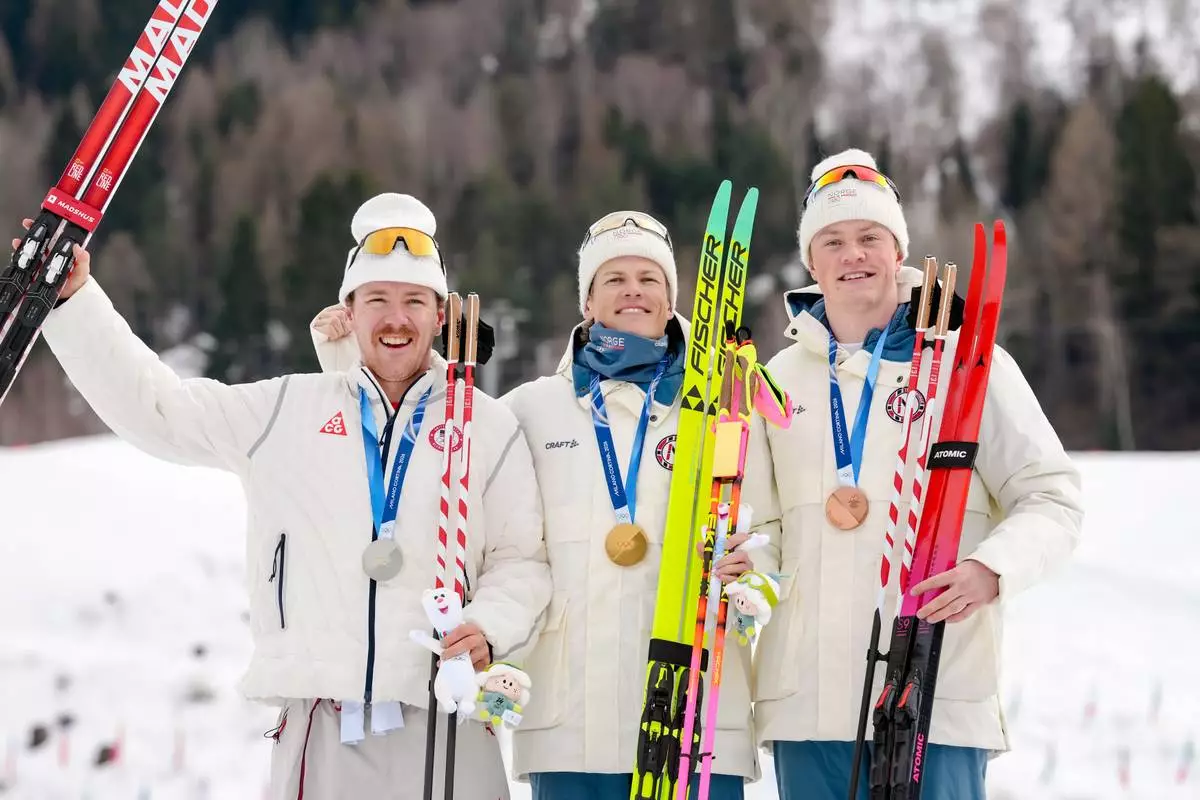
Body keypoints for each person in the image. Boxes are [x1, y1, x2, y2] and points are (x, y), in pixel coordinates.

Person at [23, 192, 552, 800]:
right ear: (349, 312)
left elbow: (522, 560)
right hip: (320, 727)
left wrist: (488, 626)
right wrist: (75, 304)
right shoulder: (287, 410)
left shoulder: (487, 427)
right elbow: (160, 410)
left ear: (440, 315)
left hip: (447, 725)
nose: (396, 319)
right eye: (377, 299)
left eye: (414, 301)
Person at [312, 210, 763, 799]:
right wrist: (349, 366)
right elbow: (424, 456)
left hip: (696, 723)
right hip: (568, 726)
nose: (633, 290)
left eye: (650, 279)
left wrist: (753, 577)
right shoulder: (529, 411)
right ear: (587, 302)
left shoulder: (724, 407)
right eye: (614, 278)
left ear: (671, 297)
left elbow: (770, 542)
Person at [741, 149, 1085, 800]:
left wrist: (993, 569)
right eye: (833, 241)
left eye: (871, 236)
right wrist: (741, 569)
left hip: (937, 687)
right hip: (808, 703)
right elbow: (759, 529)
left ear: (897, 248)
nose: (854, 254)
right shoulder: (776, 383)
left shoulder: (971, 364)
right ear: (811, 263)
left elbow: (1051, 497)